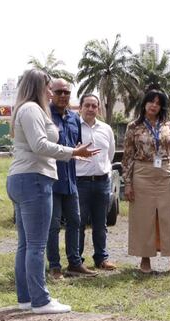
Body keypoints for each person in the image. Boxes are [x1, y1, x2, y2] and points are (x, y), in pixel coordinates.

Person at [7, 69, 99, 314]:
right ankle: (40, 300)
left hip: (24, 179)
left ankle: (27, 298)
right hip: (34, 179)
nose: (51, 92)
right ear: (39, 87)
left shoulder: (27, 109)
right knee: (36, 245)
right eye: (48, 87)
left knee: (26, 244)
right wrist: (73, 152)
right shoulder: (32, 110)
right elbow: (39, 145)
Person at [123, 89, 170, 275]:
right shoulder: (133, 126)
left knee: (168, 217)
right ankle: (145, 258)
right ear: (144, 104)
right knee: (143, 217)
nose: (154, 105)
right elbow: (127, 156)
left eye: (158, 103)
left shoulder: (167, 125)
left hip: (165, 172)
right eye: (151, 101)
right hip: (142, 172)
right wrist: (127, 182)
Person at [46, 78, 97, 279]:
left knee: (76, 222)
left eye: (66, 92)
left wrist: (81, 154)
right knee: (53, 225)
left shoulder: (74, 118)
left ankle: (75, 263)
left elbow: (75, 148)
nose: (63, 96)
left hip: (70, 180)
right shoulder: (45, 116)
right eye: (59, 92)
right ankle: (55, 266)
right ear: (51, 93)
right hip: (51, 180)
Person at [76, 93, 118, 271]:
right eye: (87, 105)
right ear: (80, 108)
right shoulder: (74, 127)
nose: (91, 109)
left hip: (102, 182)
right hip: (80, 182)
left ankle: (101, 258)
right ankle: (76, 260)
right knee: (78, 222)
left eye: (94, 106)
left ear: (98, 109)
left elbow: (110, 154)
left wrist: (102, 170)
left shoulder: (106, 129)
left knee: (101, 224)